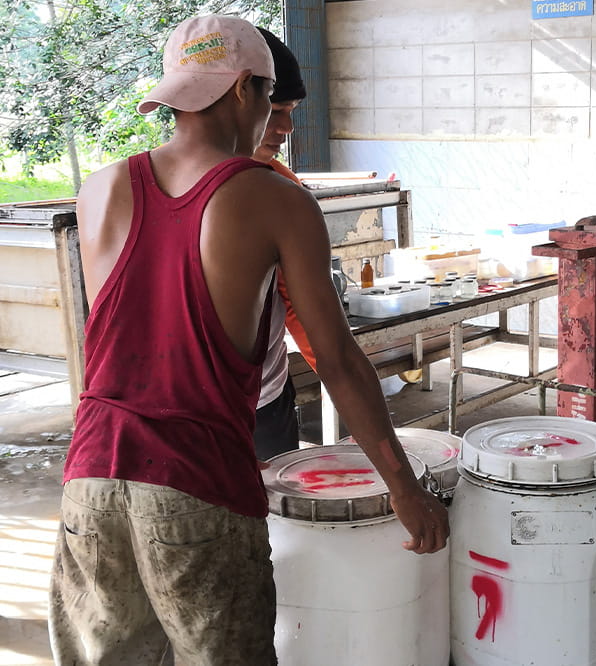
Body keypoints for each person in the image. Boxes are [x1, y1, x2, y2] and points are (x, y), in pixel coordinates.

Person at [48, 14, 448, 665]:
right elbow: (339, 360)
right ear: (243, 90)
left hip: (91, 476)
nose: (273, 119)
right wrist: (403, 488)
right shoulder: (274, 199)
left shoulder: (101, 188)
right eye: (271, 98)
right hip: (196, 482)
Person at [250, 26, 315, 461]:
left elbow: (299, 306)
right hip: (185, 416)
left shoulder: (281, 188)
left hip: (264, 403)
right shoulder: (130, 191)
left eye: (290, 110)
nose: (287, 128)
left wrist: (335, 370)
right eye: (275, 110)